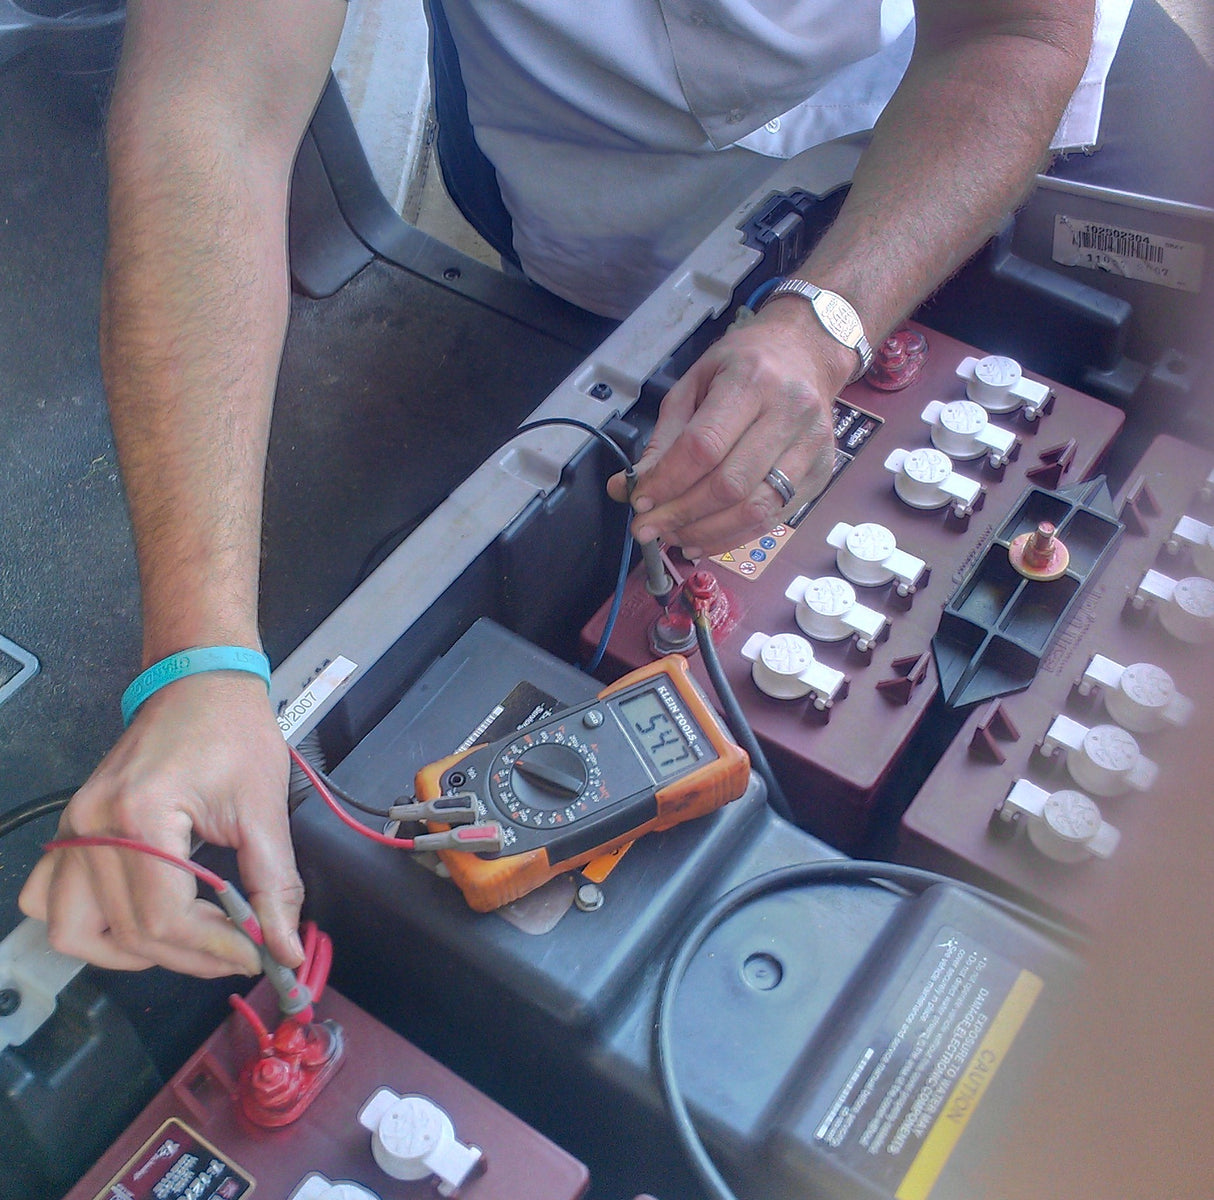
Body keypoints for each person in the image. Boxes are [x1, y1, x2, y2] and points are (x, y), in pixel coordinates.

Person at [21, 0, 1114, 979]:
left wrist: (826, 320)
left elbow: (1013, 33)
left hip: (918, 134)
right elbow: (212, 111)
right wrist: (200, 661)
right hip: (600, 185)